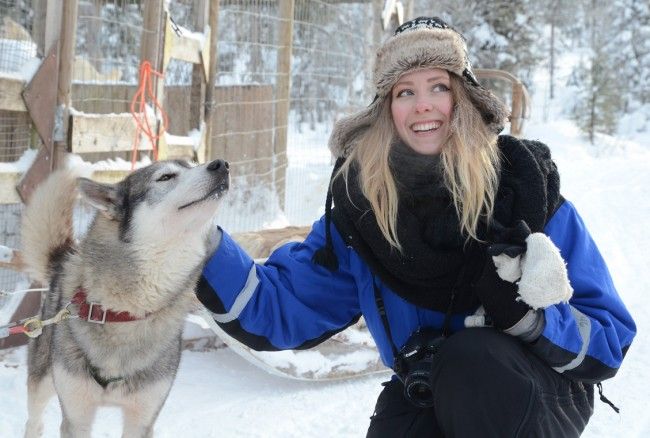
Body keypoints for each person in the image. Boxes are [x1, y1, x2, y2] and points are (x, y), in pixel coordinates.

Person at [196, 17, 636, 437]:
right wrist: (199, 241)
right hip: (428, 386)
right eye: (405, 91)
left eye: (438, 86)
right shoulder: (366, 214)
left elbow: (608, 337)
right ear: (387, 110)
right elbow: (280, 305)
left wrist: (531, 320)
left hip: (536, 391)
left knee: (471, 361)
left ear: (461, 99)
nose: (423, 103)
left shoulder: (524, 195)